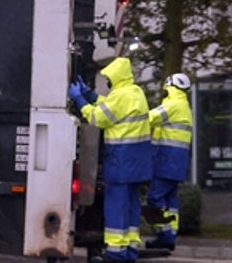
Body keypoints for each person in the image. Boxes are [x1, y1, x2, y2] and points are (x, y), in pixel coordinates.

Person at [69, 57, 152, 263]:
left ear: (116, 77)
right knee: (132, 207)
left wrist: (80, 100)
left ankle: (115, 254)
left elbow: (98, 118)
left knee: (116, 207)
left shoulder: (121, 96)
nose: (108, 81)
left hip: (120, 162)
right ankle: (129, 250)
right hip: (137, 163)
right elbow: (111, 107)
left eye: (109, 78)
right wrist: (89, 95)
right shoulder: (134, 92)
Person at [144, 73, 193, 251]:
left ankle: (165, 235)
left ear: (170, 86)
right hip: (176, 163)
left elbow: (149, 118)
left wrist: (127, 118)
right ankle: (169, 236)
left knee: (154, 198)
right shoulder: (184, 106)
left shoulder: (173, 105)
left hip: (166, 161)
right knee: (170, 200)